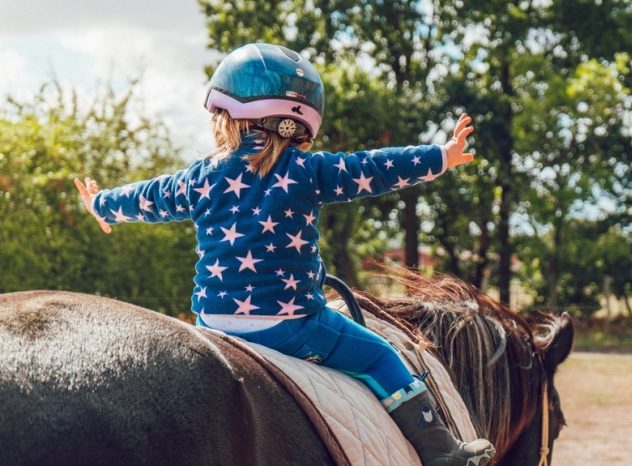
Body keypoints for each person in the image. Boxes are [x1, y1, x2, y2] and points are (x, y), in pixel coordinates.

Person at [75, 43, 494, 465]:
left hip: (213, 325)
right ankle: (444, 455)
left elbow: (150, 195)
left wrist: (102, 205)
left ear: (225, 118)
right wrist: (441, 156)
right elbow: (373, 168)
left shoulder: (198, 179)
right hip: (291, 326)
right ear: (300, 123)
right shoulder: (308, 171)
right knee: (380, 356)